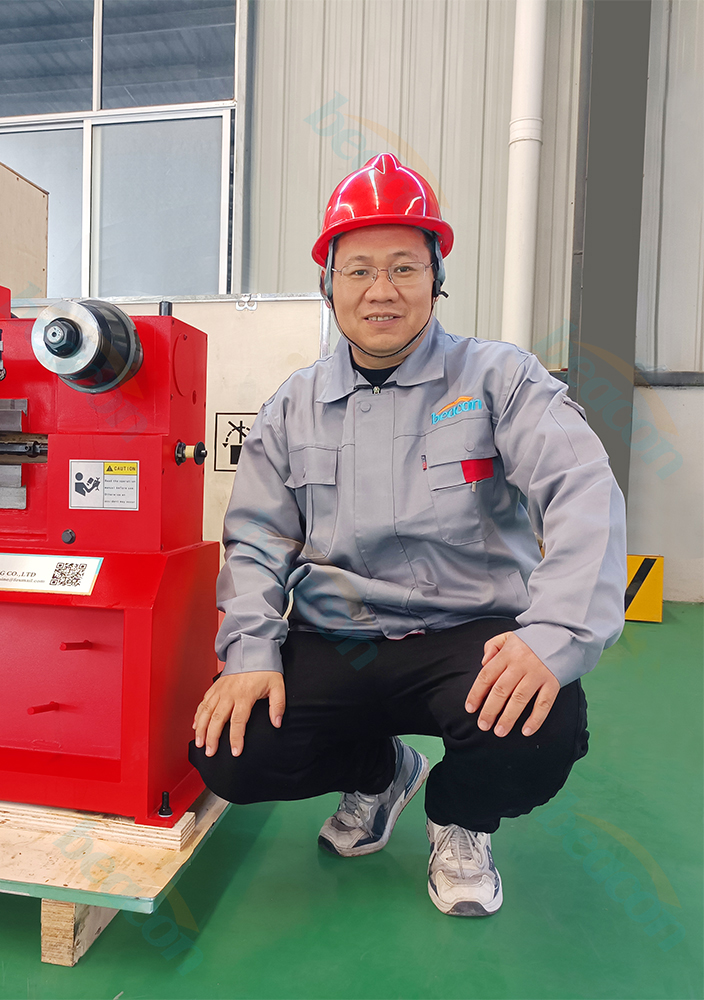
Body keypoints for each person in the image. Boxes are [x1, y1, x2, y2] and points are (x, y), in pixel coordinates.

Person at [188, 153, 626, 917]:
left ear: (436, 279)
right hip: (340, 635)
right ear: (328, 284)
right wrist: (250, 650)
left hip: (469, 633)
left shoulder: (500, 380)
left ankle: (459, 818)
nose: (381, 290)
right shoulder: (293, 406)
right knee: (232, 750)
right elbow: (255, 539)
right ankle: (382, 773)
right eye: (358, 270)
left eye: (403, 267)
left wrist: (556, 632)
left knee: (539, 726)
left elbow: (582, 491)